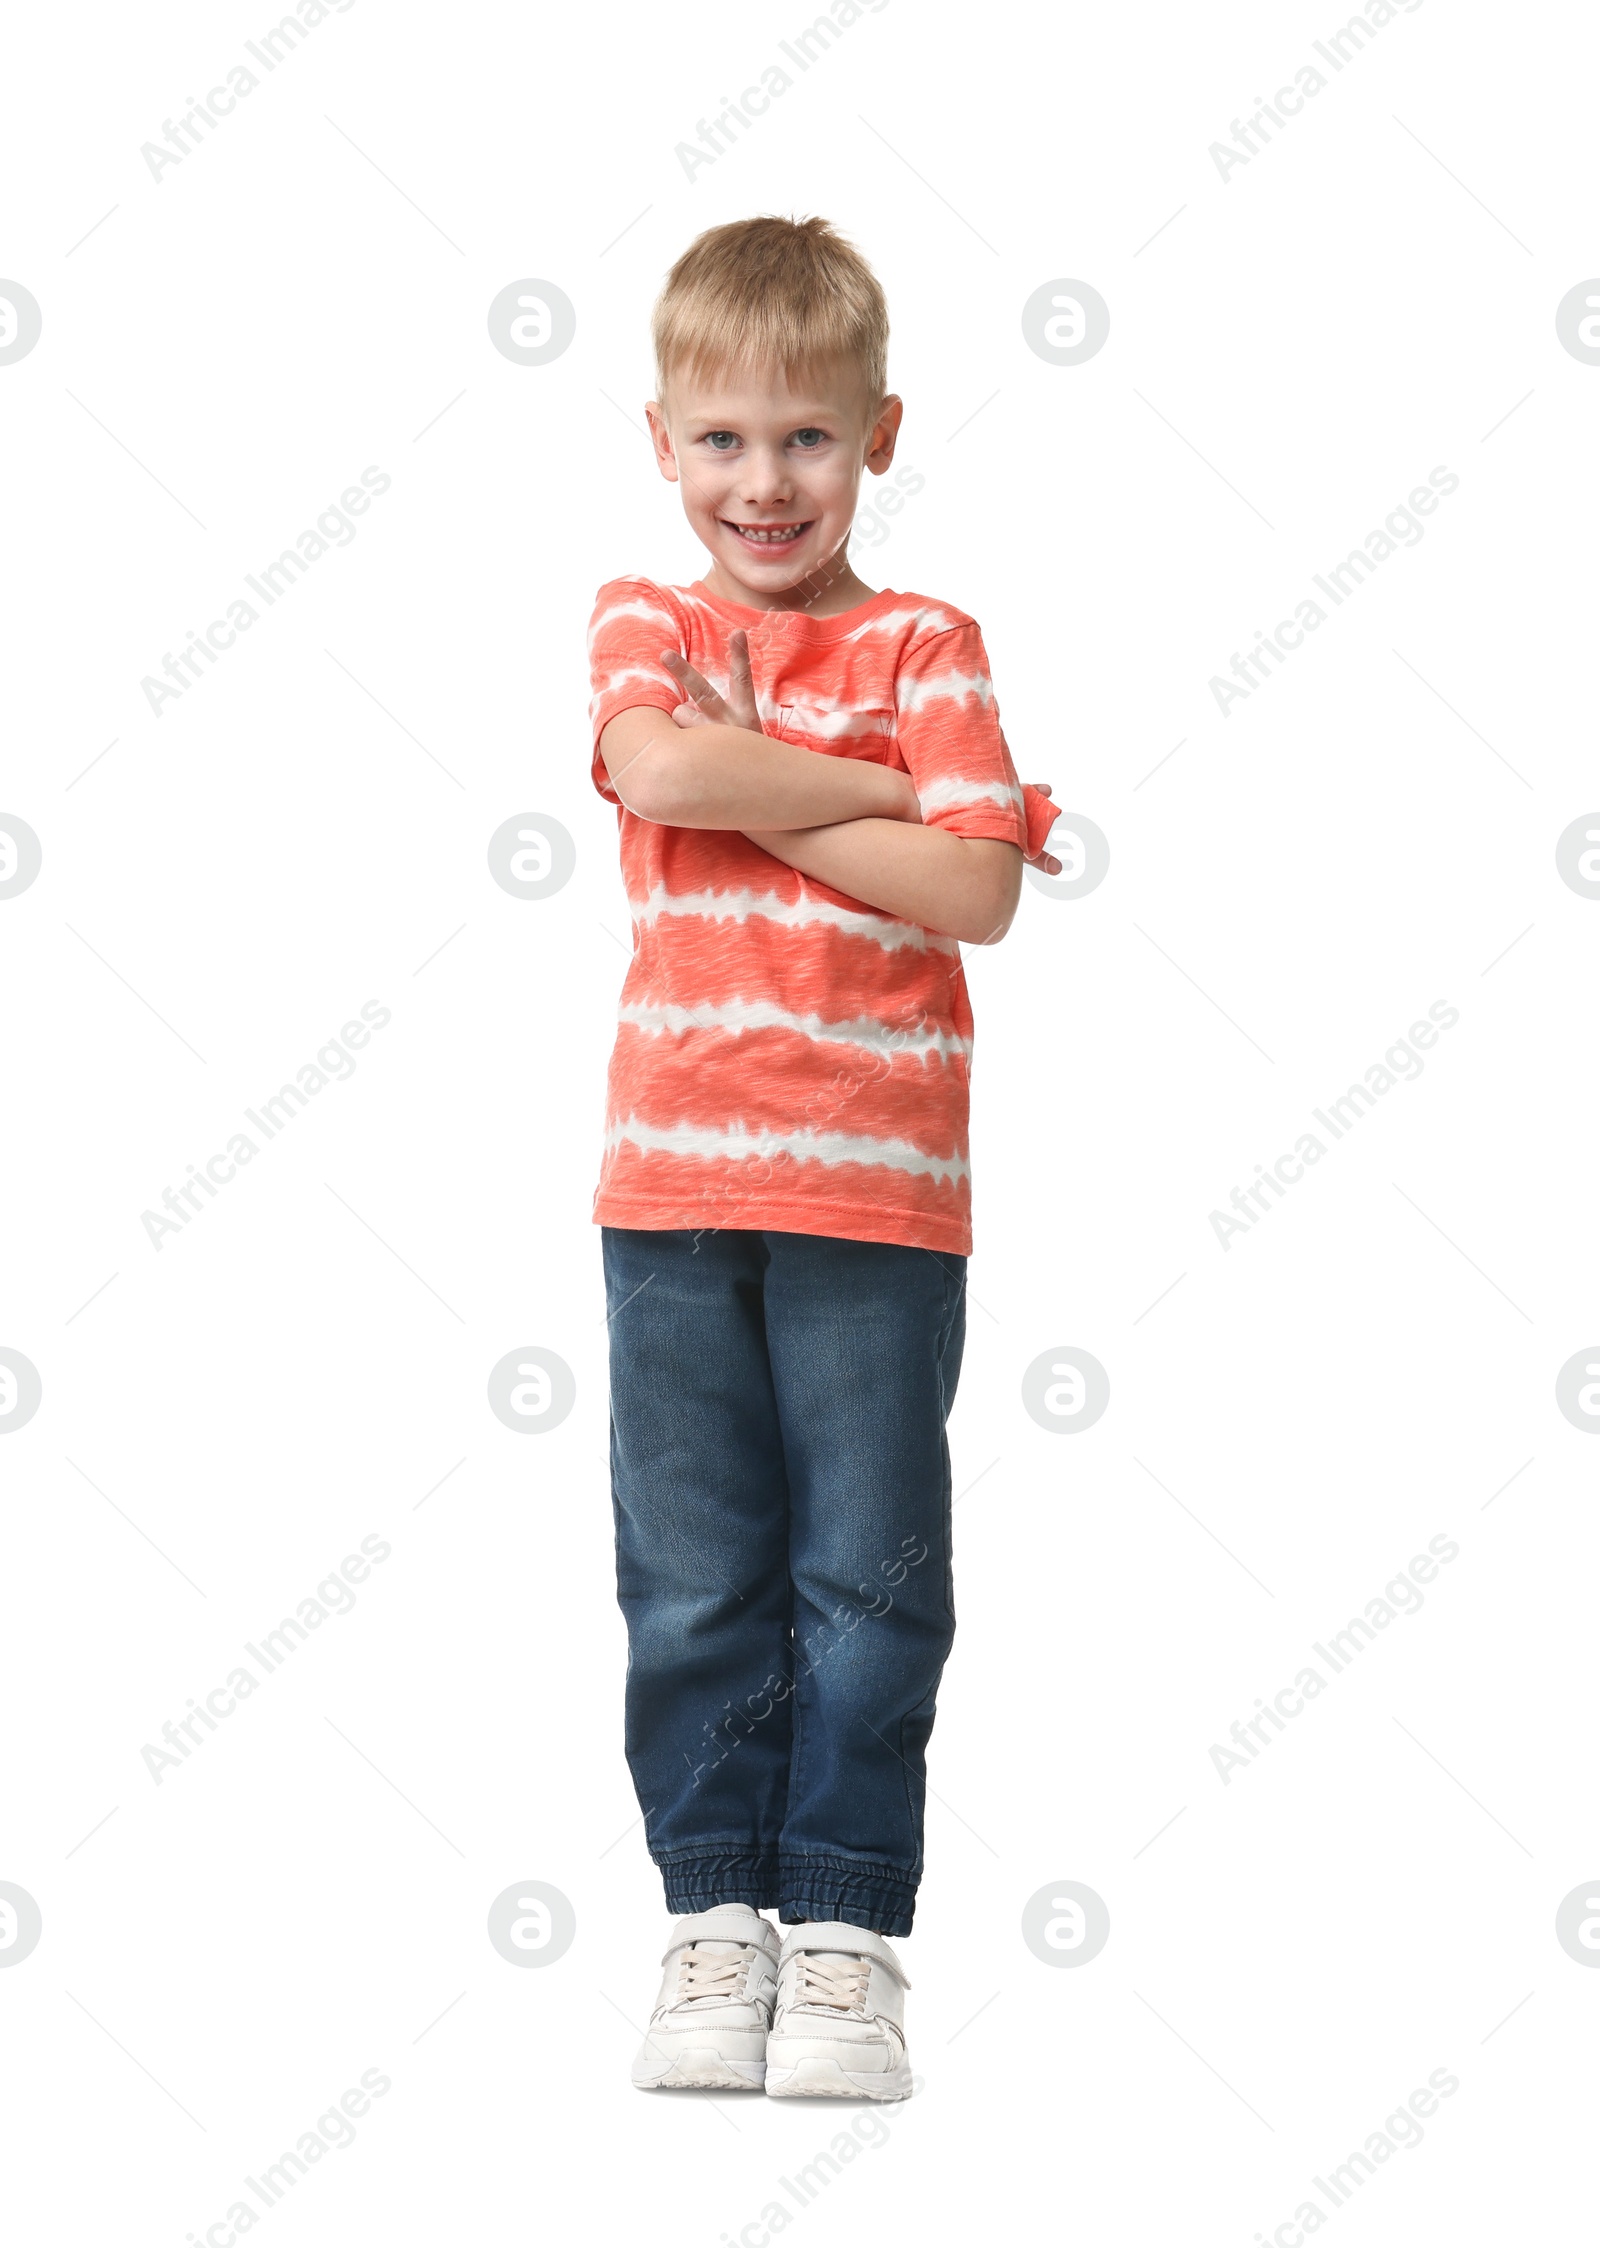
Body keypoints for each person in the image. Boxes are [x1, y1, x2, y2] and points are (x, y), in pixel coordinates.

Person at [587, 213, 1060, 2099]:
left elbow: (977, 894)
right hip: (674, 1187)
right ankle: (716, 1919)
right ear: (660, 437)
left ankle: (846, 1928)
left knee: (867, 1572)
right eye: (722, 439)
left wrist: (956, 822)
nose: (761, 481)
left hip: (876, 1188)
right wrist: (902, 788)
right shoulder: (650, 621)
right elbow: (669, 771)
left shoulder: (929, 636)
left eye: (804, 436)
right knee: (695, 1573)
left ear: (877, 430)